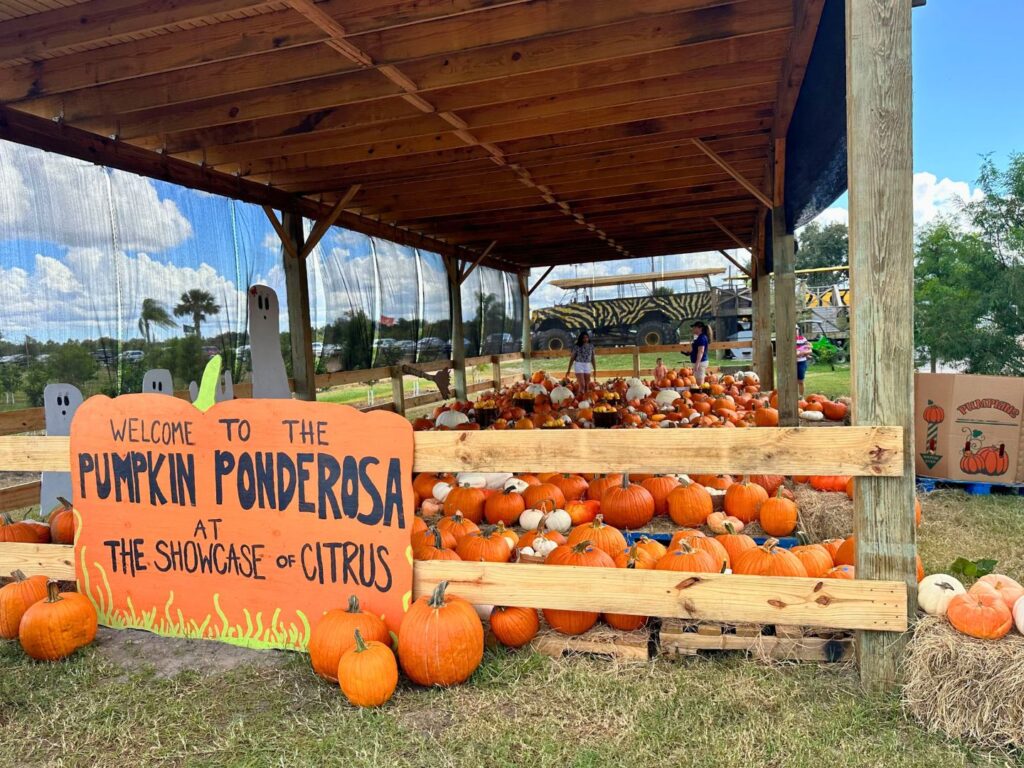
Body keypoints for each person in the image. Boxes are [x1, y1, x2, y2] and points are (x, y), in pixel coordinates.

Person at [796, 325, 812, 396]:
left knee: (801, 381)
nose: (795, 331)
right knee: (791, 382)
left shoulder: (802, 339)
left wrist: (803, 353)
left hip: (801, 362)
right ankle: (792, 397)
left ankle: (801, 397)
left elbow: (810, 349)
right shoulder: (787, 339)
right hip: (790, 363)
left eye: (796, 329)